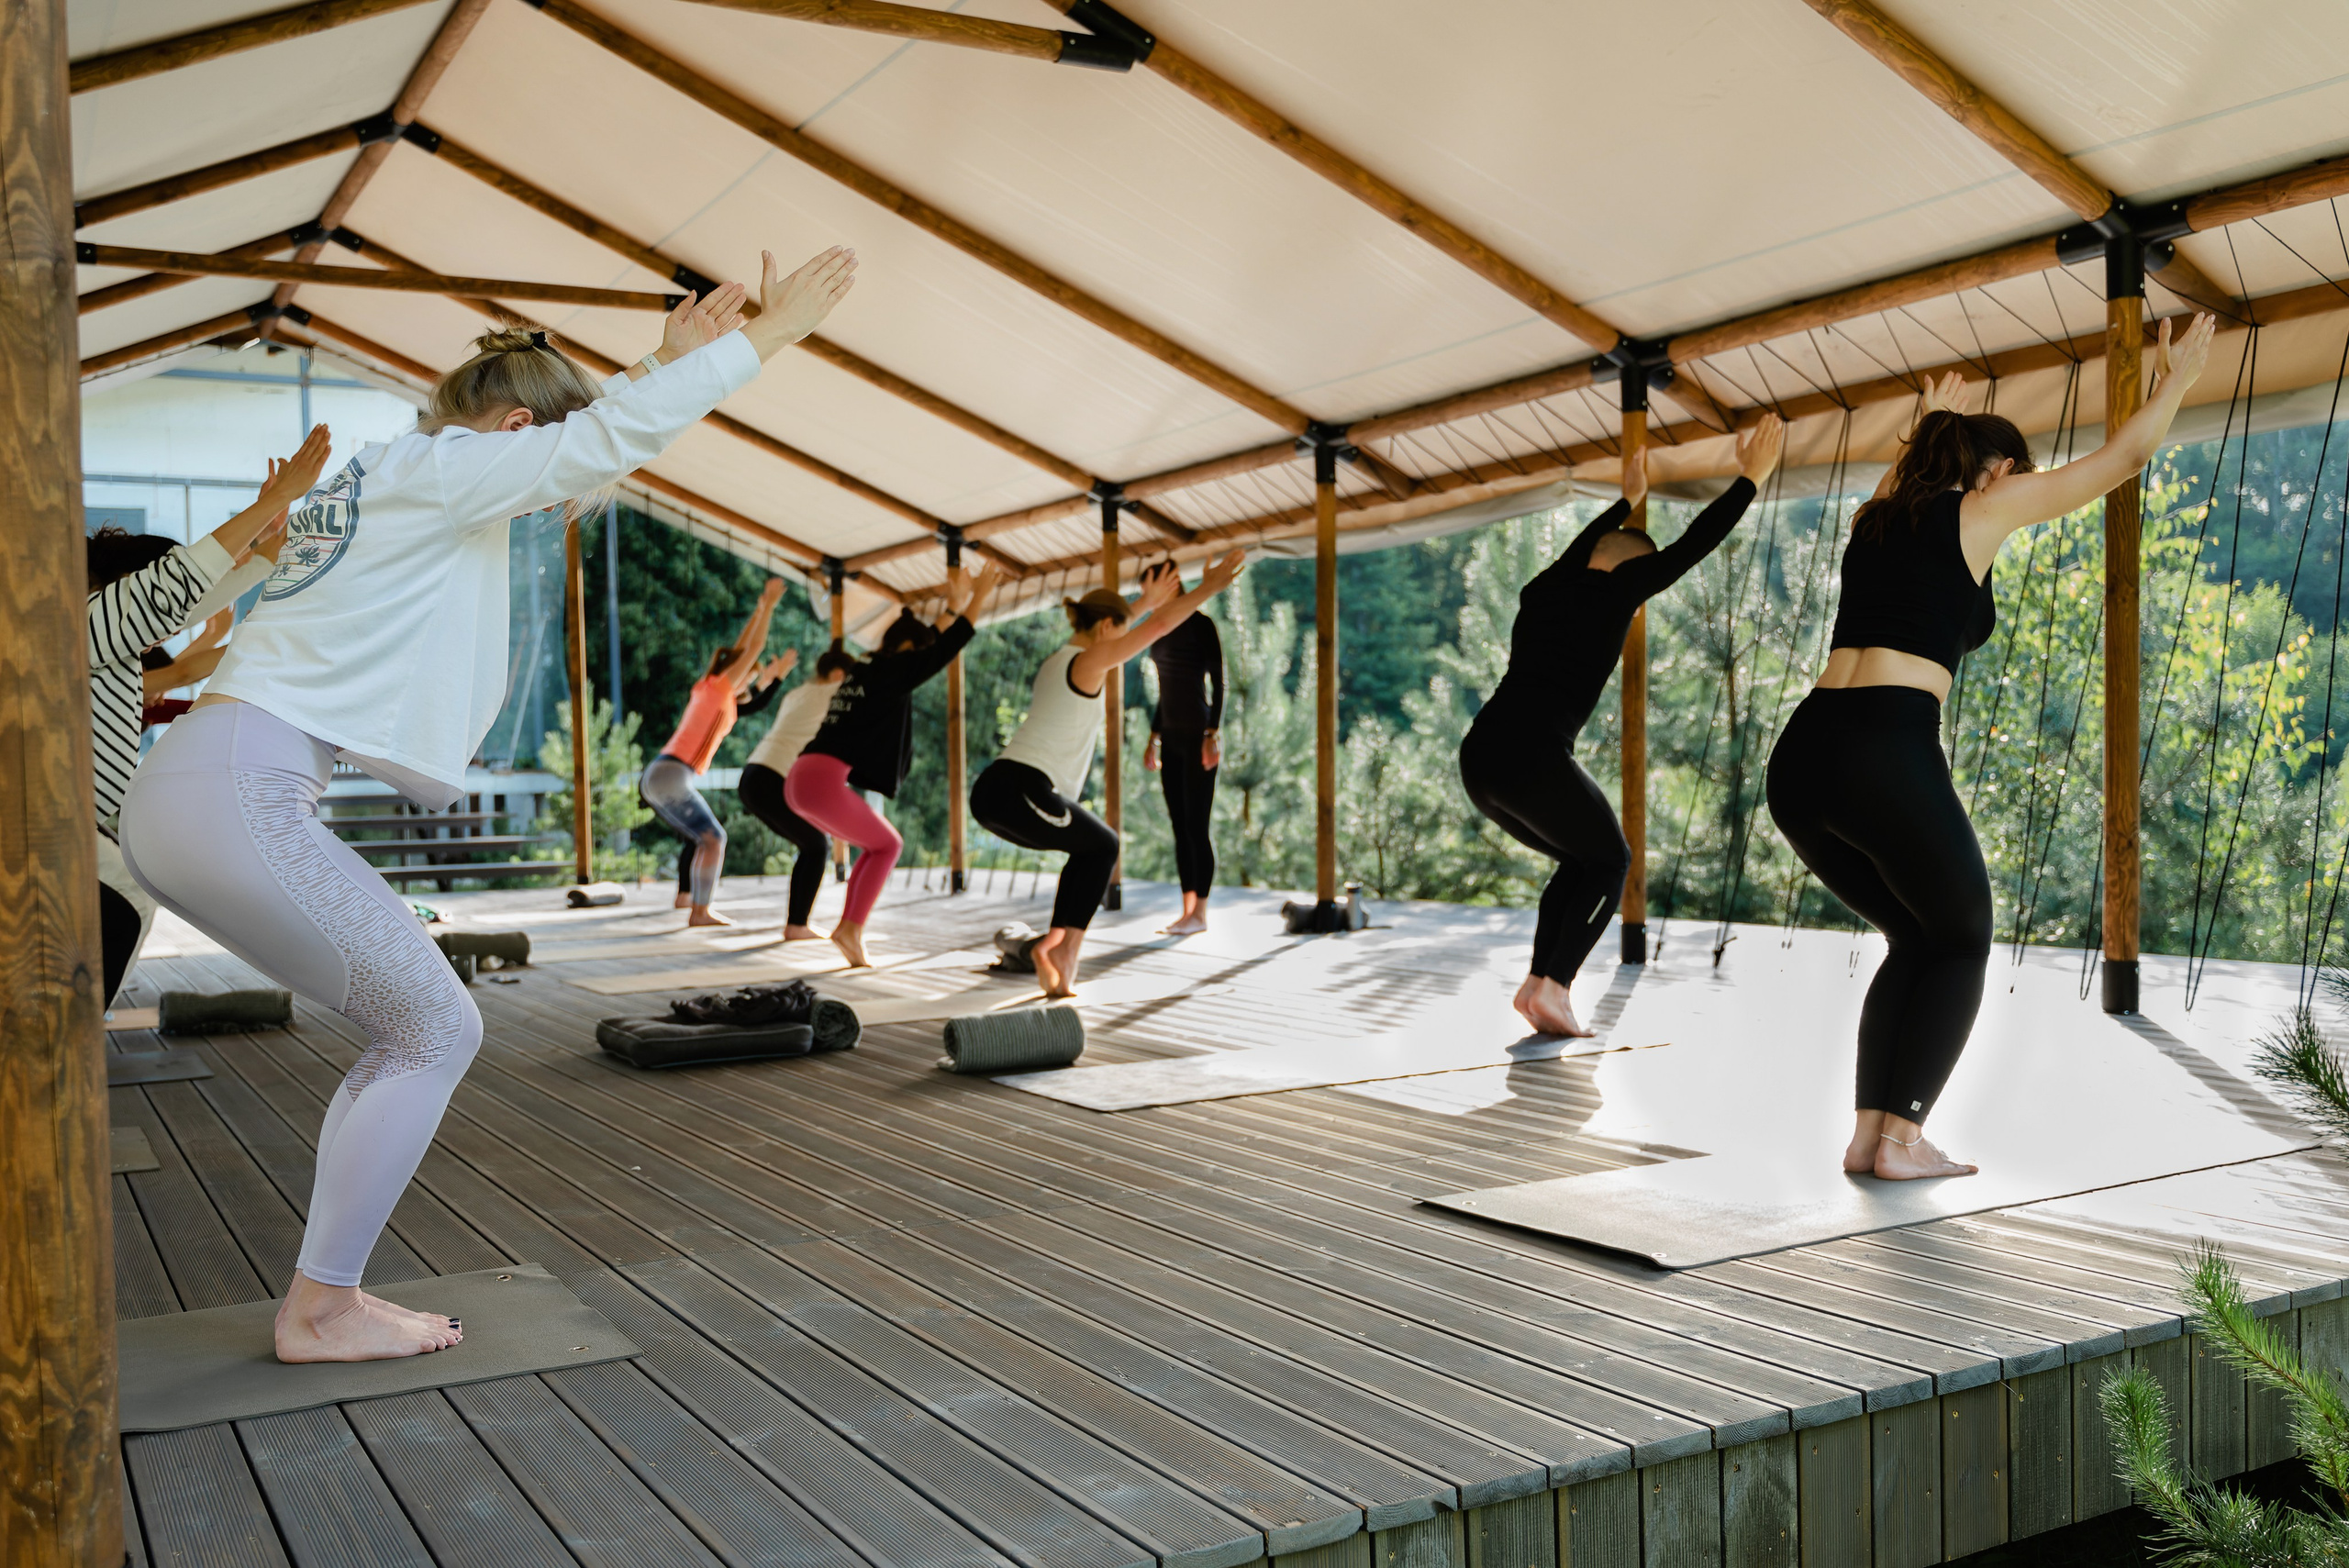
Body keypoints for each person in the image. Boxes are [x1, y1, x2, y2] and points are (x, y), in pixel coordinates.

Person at [119, 246, 858, 1362]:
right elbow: (588, 445)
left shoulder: (388, 469)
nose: (544, 499)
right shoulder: (445, 468)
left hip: (203, 785)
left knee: (416, 1024)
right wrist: (770, 338)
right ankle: (321, 1307)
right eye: (540, 467)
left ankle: (327, 1297)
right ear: (513, 435)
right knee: (434, 1024)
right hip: (236, 788)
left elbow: (573, 440)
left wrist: (657, 363)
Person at [1767, 316, 2217, 1182]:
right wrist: (2179, 383)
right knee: (1965, 933)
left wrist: (1929, 419)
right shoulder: (1983, 505)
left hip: (1806, 755)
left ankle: (1872, 1137)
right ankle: (1900, 1140)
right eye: (2022, 471)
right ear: (2003, 469)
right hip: (1884, 744)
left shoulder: (1878, 517)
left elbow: (1912, 479)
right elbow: (2121, 461)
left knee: (1917, 931)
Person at [1461, 413, 1786, 1039]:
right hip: (1531, 755)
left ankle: (1537, 985)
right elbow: (1694, 544)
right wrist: (1750, 479)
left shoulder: (1543, 589)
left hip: (1481, 757)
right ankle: (1554, 985)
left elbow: (1581, 548)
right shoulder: (1613, 591)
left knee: (1579, 860)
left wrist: (1625, 500)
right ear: (1629, 569)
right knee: (1611, 860)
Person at [87, 431, 332, 1006]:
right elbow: (174, 591)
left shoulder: (99, 637)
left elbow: (186, 600)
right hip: (72, 847)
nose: (176, 625)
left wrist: (269, 547)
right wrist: (270, 504)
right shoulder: (85, 620)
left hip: (98, 847)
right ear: (131, 590)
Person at [973, 550, 1247, 996]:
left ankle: (1057, 947)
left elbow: (1121, 626)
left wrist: (1141, 602)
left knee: (1091, 849)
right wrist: (1207, 589)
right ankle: (1062, 950)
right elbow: (1153, 629)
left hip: (998, 791)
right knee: (1103, 845)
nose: (1123, 643)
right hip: (1021, 790)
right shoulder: (1087, 662)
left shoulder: (1060, 659)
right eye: (1118, 630)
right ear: (1105, 629)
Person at [786, 561, 1004, 968]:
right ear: (910, 651)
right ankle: (851, 928)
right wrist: (976, 600)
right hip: (821, 779)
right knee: (889, 845)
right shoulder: (893, 671)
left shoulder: (871, 665)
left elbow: (928, 643)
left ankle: (849, 930)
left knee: (876, 846)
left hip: (802, 777)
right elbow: (942, 648)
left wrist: (952, 606)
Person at [641, 580, 791, 927]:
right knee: (714, 838)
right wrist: (768, 608)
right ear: (733, 675)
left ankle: (693, 904)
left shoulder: (707, 688)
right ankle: (700, 911)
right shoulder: (720, 688)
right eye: (746, 678)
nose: (746, 684)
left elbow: (742, 650)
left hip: (660, 775)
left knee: (704, 838)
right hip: (673, 775)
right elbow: (751, 649)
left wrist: (759, 609)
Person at [739, 647, 856, 940]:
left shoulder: (798, 693)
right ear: (839, 675)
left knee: (813, 843)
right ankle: (797, 926)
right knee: (816, 845)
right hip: (770, 778)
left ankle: (797, 923)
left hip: (754, 773)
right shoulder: (833, 691)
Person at [1142, 597, 1225, 936]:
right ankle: (1187, 911)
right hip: (1171, 739)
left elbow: (1220, 682)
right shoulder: (1159, 629)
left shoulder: (1200, 624)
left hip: (1197, 736)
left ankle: (1200, 914)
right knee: (1179, 826)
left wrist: (1212, 733)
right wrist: (1153, 736)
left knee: (1196, 826)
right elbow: (1167, 689)